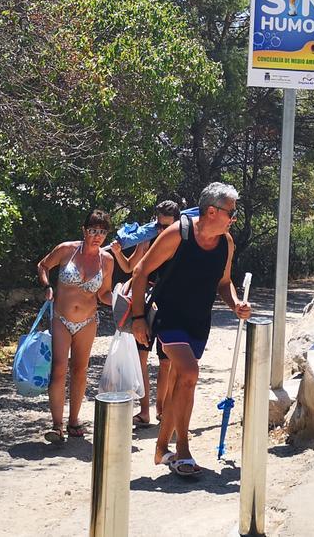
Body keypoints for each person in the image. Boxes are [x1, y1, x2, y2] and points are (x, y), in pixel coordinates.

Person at [129, 183, 250, 477]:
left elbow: (224, 281)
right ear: (212, 211)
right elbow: (140, 271)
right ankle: (182, 448)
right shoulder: (177, 235)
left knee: (181, 381)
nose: (234, 218)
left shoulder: (227, 243)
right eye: (231, 212)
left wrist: (235, 303)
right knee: (189, 373)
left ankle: (160, 449)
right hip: (168, 316)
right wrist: (137, 319)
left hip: (199, 321)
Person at [36, 210, 115, 443]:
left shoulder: (107, 260)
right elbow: (43, 265)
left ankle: (74, 420)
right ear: (84, 230)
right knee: (59, 368)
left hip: (88, 321)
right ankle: (57, 425)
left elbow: (104, 294)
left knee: (80, 371)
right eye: (93, 230)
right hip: (61, 318)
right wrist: (47, 286)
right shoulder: (66, 250)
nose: (97, 236)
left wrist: (124, 300)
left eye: (102, 232)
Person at [109, 200, 183, 428]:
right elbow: (131, 267)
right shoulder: (147, 239)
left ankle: (162, 410)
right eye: (158, 225)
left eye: (166, 226)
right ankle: (144, 411)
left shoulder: (182, 244)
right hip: (144, 303)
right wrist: (117, 253)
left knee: (165, 362)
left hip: (170, 304)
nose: (161, 230)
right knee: (141, 358)